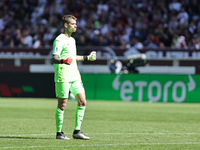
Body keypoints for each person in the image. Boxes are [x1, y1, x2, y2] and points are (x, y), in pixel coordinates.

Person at [51, 15, 96, 140]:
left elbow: (72, 56)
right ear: (66, 25)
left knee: (82, 101)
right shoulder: (59, 40)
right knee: (63, 104)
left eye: (75, 24)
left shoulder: (72, 40)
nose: (75, 26)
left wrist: (87, 58)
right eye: (72, 24)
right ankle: (59, 133)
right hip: (63, 75)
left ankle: (77, 131)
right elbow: (54, 58)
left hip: (75, 75)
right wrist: (63, 60)